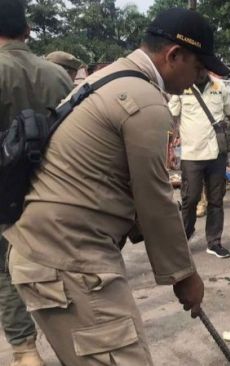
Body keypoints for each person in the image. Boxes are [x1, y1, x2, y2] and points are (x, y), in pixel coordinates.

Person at [3, 8, 225, 364]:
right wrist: (185, 276)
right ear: (174, 56)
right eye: (198, 68)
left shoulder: (108, 78)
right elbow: (156, 202)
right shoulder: (146, 101)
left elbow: (116, 181)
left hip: (47, 249)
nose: (197, 79)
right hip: (67, 257)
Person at [0, 1, 72, 365]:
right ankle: (71, 337)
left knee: (5, 271)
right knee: (56, 264)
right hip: (53, 191)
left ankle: (26, 350)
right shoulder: (58, 75)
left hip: (3, 195)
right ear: (27, 31)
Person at [169, 71, 230, 259]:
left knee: (216, 200)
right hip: (191, 155)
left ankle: (214, 242)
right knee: (190, 199)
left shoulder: (219, 86)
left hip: (217, 154)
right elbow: (171, 118)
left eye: (202, 66)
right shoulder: (180, 86)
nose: (198, 70)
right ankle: (185, 236)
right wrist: (169, 147)